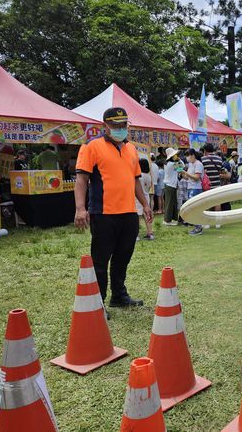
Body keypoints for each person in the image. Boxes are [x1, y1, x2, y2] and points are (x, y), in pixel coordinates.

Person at [74, 107, 150, 312]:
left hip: (128, 214)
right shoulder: (92, 147)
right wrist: (80, 209)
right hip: (103, 214)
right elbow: (81, 180)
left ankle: (119, 295)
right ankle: (98, 302)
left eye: (123, 125)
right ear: (104, 126)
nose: (120, 129)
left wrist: (144, 204)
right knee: (100, 261)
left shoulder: (131, 149)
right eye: (115, 126)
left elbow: (136, 180)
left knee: (123, 257)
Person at [180, 148, 204, 236]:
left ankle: (198, 227)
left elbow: (197, 177)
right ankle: (197, 226)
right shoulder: (191, 164)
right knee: (192, 208)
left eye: (188, 156)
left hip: (196, 188)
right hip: (190, 187)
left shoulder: (198, 164)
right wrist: (182, 173)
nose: (187, 158)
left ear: (192, 155)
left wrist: (185, 172)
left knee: (194, 208)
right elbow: (188, 178)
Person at [201, 143, 226, 228]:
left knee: (206, 203)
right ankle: (218, 223)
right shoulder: (219, 159)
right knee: (217, 203)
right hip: (217, 184)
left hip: (206, 185)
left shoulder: (202, 159)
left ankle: (207, 223)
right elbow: (223, 171)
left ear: (204, 150)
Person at [163, 147, 182, 225]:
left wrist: (177, 159)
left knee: (172, 203)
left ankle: (172, 219)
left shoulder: (168, 163)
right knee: (170, 203)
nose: (176, 156)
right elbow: (181, 167)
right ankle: (167, 220)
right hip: (170, 185)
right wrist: (179, 159)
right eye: (175, 155)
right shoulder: (171, 164)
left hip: (170, 185)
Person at [137, 158, 154, 240]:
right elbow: (150, 186)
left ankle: (136, 235)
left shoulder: (139, 175)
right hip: (146, 197)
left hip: (138, 197)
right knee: (147, 216)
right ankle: (150, 233)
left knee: (138, 216)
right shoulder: (148, 176)